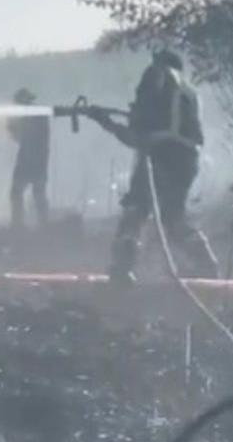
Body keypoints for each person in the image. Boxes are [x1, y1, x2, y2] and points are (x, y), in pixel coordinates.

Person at [86, 50, 219, 283]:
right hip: (187, 160)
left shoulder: (159, 76)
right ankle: (206, 264)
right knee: (173, 216)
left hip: (160, 154)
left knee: (136, 210)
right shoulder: (188, 92)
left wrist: (104, 122)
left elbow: (138, 135)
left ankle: (121, 270)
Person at [7, 87, 50, 228]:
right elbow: (19, 137)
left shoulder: (34, 116)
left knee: (20, 192)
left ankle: (19, 225)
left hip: (31, 159)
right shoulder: (37, 115)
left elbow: (20, 137)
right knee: (36, 194)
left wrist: (13, 126)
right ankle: (40, 225)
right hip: (36, 159)